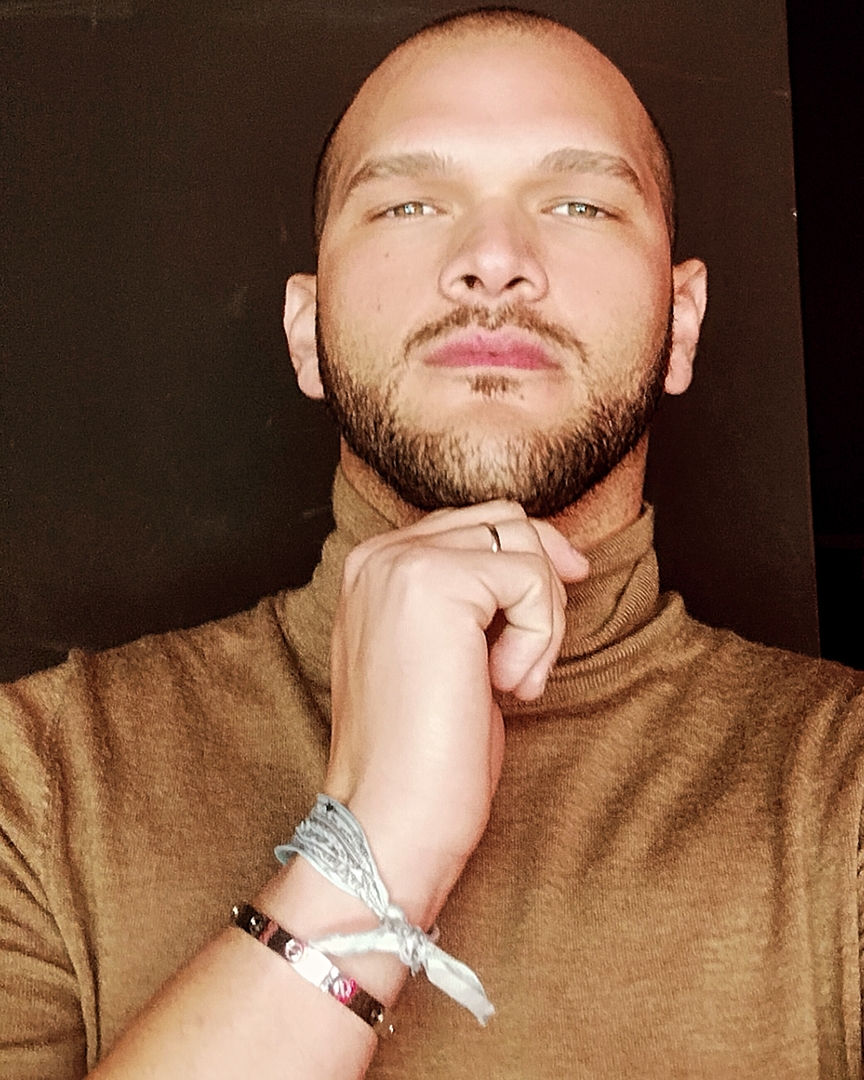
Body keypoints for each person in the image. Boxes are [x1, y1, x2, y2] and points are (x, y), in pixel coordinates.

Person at [1, 7, 862, 1079]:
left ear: (682, 322)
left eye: (580, 203)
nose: (493, 261)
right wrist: (375, 844)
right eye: (409, 203)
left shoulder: (845, 785)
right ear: (306, 333)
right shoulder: (33, 782)